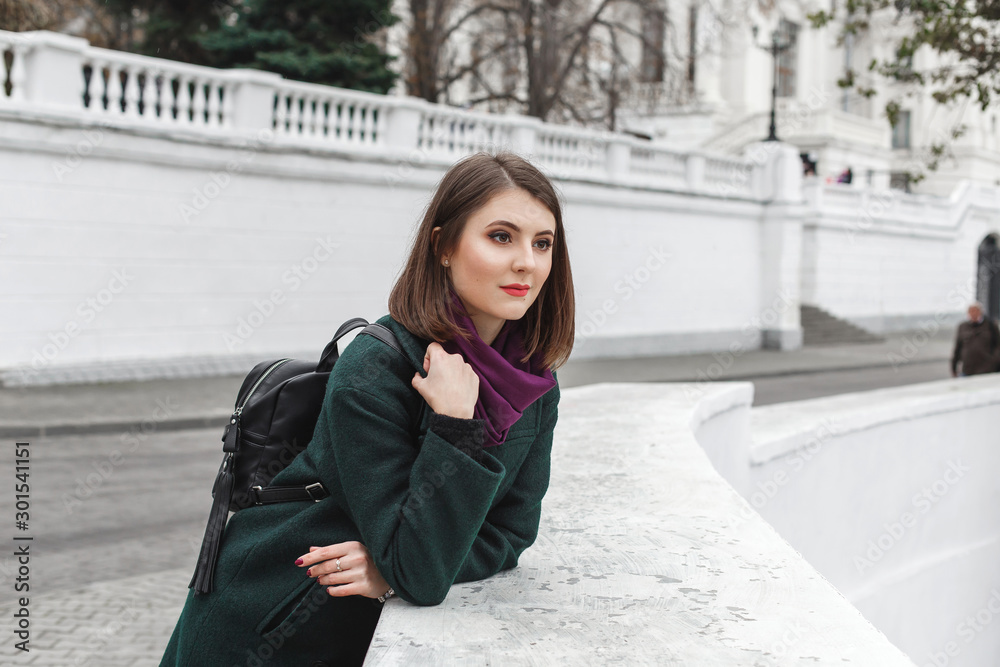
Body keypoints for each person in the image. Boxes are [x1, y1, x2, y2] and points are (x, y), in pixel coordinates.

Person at [159, 151, 575, 666]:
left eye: (543, 244)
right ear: (442, 246)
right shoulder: (376, 368)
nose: (526, 263)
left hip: (355, 620)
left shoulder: (535, 384)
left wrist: (393, 568)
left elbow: (509, 534)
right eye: (500, 237)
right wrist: (454, 426)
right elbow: (421, 573)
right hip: (272, 618)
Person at [951, 301, 999, 377]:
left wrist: (994, 361)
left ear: (981, 312)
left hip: (987, 370)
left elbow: (998, 345)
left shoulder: (991, 326)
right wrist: (953, 367)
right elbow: (958, 348)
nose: (973, 314)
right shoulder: (963, 327)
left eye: (975, 311)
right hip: (968, 370)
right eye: (971, 311)